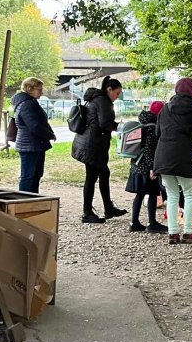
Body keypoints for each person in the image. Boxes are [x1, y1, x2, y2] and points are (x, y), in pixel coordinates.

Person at [154, 78, 192, 245]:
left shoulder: (165, 108)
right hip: (182, 155)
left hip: (163, 155)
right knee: (190, 193)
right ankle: (188, 232)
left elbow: (157, 133)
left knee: (172, 194)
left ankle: (173, 233)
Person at [71, 76, 128, 223]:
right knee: (92, 177)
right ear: (109, 89)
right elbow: (105, 123)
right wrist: (122, 127)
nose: (117, 97)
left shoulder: (96, 98)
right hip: (93, 145)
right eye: (117, 93)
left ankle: (107, 208)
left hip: (91, 143)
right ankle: (87, 213)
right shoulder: (103, 101)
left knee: (103, 173)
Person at [125, 101, 166, 233]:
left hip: (136, 165)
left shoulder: (143, 124)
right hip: (146, 168)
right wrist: (152, 168)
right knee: (153, 193)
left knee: (140, 194)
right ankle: (152, 223)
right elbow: (149, 151)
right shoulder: (152, 128)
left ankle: (134, 222)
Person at [12, 77, 56, 193]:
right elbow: (35, 126)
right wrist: (49, 135)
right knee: (28, 177)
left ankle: (33, 198)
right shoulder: (27, 104)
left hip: (33, 144)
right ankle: (25, 200)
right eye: (39, 89)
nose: (41, 92)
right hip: (29, 145)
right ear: (29, 89)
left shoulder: (29, 102)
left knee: (35, 175)